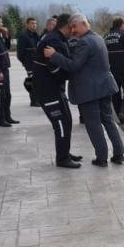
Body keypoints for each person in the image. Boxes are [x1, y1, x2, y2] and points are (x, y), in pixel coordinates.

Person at [44, 13, 124, 167]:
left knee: (93, 125)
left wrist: (54, 55)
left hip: (89, 91)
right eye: (71, 27)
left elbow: (73, 65)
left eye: (74, 26)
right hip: (104, 87)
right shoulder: (98, 38)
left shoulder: (84, 42)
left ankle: (102, 158)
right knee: (108, 121)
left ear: (83, 23)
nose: (72, 30)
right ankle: (119, 153)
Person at [33, 13, 81, 168]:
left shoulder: (58, 38)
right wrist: (70, 74)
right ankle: (62, 159)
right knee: (61, 122)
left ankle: (64, 152)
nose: (74, 30)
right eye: (72, 27)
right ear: (67, 25)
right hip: (48, 89)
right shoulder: (52, 40)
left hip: (55, 88)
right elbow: (55, 69)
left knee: (67, 120)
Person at [16, 17, 41, 107]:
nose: (34, 25)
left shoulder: (36, 35)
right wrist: (25, 62)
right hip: (30, 63)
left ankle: (37, 99)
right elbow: (20, 53)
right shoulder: (23, 36)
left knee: (37, 81)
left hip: (37, 63)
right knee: (32, 81)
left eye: (35, 23)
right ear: (27, 24)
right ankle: (34, 101)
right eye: (32, 23)